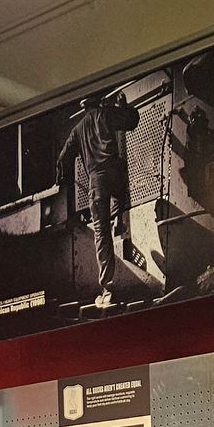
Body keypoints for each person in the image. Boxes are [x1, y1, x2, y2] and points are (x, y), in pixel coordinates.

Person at [55, 89, 140, 311]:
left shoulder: (78, 129)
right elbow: (132, 121)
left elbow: (63, 158)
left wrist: (62, 176)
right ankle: (119, 218)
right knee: (120, 202)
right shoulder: (106, 113)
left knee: (100, 232)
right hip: (117, 172)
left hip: (97, 180)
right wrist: (124, 107)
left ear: (84, 106)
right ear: (99, 100)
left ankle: (107, 288)